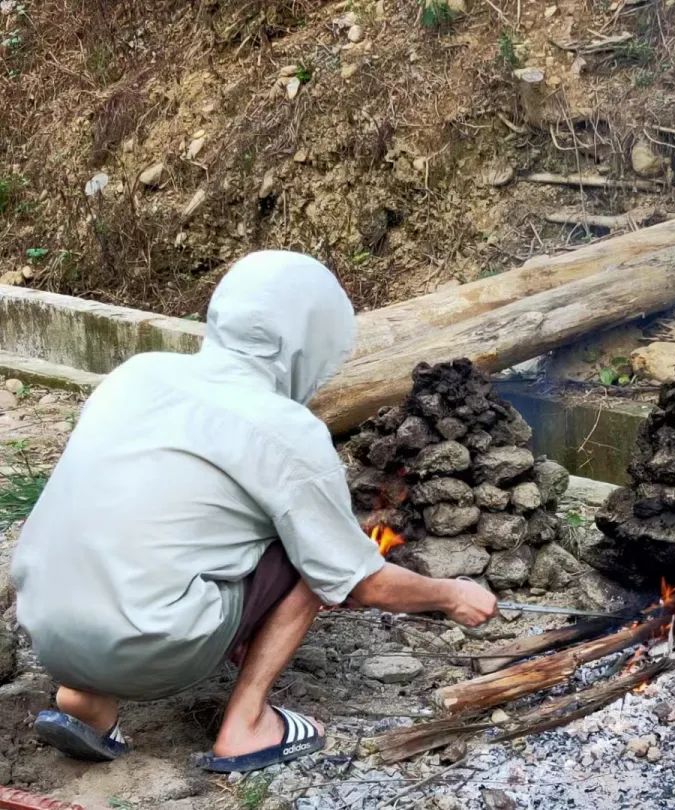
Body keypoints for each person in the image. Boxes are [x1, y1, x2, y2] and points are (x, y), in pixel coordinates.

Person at [11, 251, 497, 773]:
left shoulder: (137, 373)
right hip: (151, 648)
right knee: (316, 556)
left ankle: (84, 699)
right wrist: (451, 595)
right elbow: (362, 582)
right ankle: (246, 725)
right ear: (310, 342)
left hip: (47, 628)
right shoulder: (285, 430)